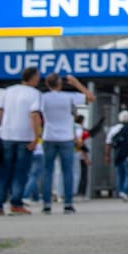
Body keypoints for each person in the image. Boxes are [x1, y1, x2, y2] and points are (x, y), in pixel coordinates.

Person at [0, 67, 45, 216]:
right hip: (25, 137)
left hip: (6, 136)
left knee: (3, 172)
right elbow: (34, 115)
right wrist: (36, 137)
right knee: (20, 172)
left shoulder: (8, 91)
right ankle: (16, 203)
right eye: (38, 76)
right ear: (33, 78)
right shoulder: (35, 93)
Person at [38, 78, 92, 213]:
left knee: (48, 171)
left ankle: (47, 204)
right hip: (66, 137)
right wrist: (76, 83)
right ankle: (68, 203)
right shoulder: (69, 97)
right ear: (60, 84)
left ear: (47, 84)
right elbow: (90, 97)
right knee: (67, 171)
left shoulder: (42, 98)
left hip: (48, 136)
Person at [109, 110, 128, 200]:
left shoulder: (114, 129)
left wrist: (107, 155)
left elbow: (108, 142)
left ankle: (120, 191)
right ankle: (125, 191)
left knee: (120, 175)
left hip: (119, 155)